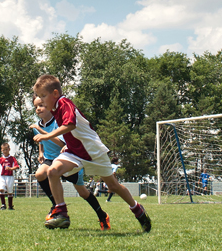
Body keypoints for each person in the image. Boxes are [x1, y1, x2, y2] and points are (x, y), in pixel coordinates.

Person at [32, 74, 151, 232]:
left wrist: (47, 135)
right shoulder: (54, 109)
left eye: (43, 96)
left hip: (93, 151)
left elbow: (70, 125)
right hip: (74, 151)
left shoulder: (64, 103)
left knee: (113, 186)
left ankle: (137, 209)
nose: (41, 100)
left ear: (54, 94)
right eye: (39, 96)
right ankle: (61, 212)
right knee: (53, 171)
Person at [30, 96, 111, 230]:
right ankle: (58, 208)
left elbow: (61, 143)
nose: (39, 109)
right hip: (51, 160)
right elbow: (41, 141)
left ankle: (102, 215)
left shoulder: (58, 122)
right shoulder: (36, 126)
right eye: (36, 107)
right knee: (39, 174)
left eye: (42, 105)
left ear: (49, 105)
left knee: (83, 192)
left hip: (67, 158)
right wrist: (41, 152)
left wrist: (42, 133)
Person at [0, 143, 19, 210]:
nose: (5, 151)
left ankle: (10, 206)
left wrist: (10, 169)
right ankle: (3, 204)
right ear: (1, 150)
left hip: (10, 176)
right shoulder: (0, 159)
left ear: (9, 149)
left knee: (9, 191)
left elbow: (16, 166)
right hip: (2, 176)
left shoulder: (12, 158)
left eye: (6, 149)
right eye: (3, 150)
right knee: (1, 189)